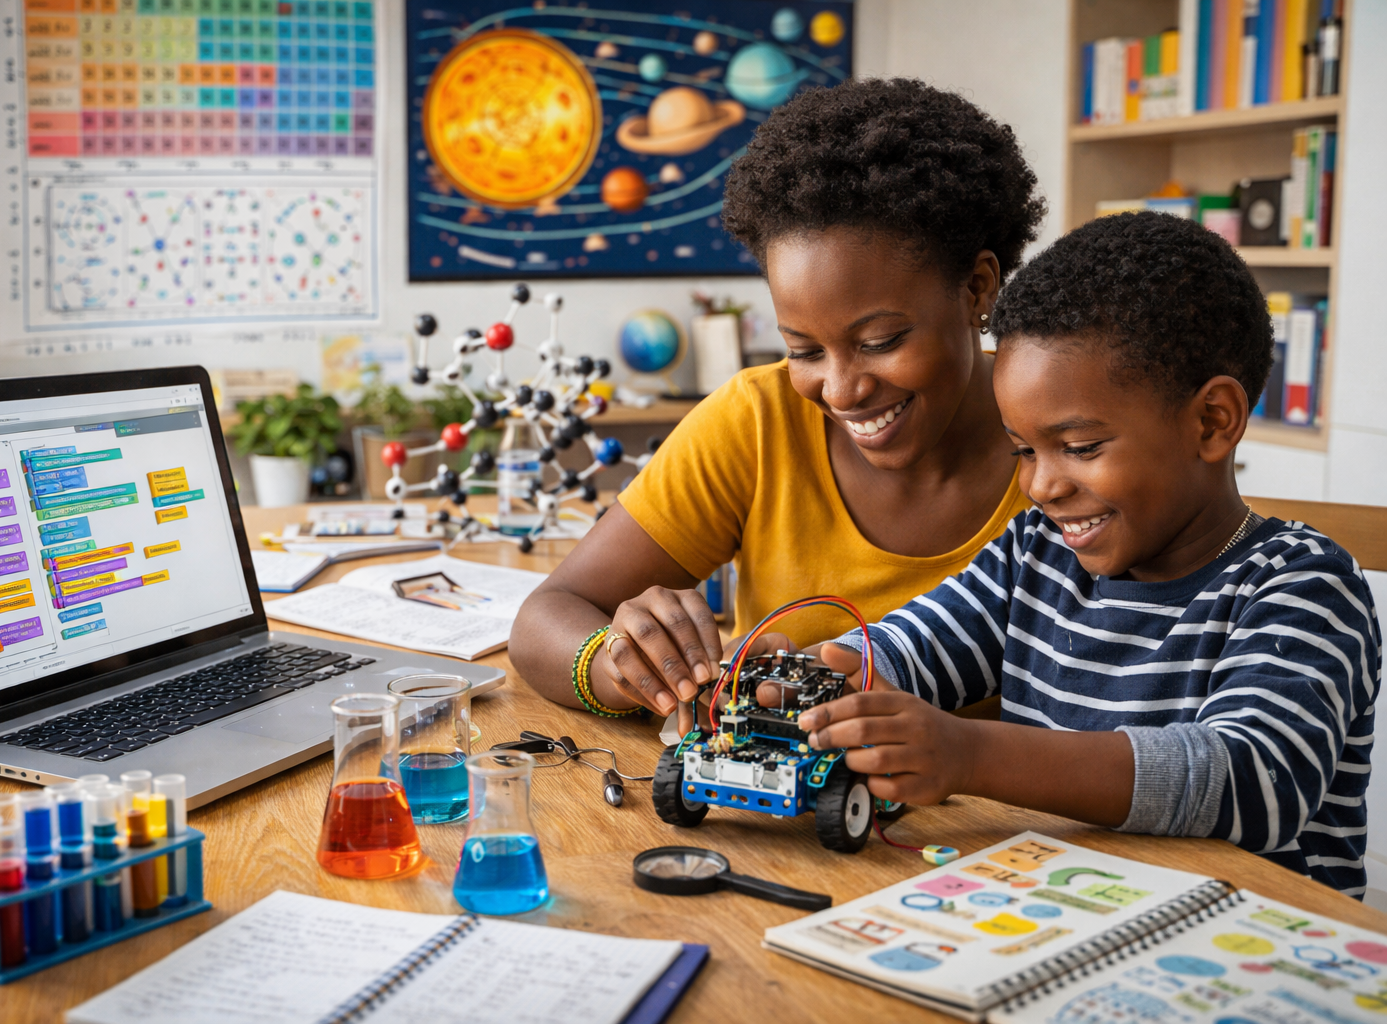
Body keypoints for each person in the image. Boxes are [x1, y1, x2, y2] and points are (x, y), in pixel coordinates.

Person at [789, 211, 1380, 895]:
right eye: (1023, 449)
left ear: (1212, 421)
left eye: (1081, 447)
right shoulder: (1035, 556)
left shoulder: (1301, 583)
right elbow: (893, 655)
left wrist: (969, 752)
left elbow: (1252, 782)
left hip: (1258, 959)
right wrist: (782, 684)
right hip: (1061, 916)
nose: (1041, 484)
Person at [509, 79, 1045, 719]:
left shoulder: (1070, 445)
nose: (843, 390)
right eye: (804, 350)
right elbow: (546, 617)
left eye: (882, 340)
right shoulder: (757, 422)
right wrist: (626, 664)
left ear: (978, 288)